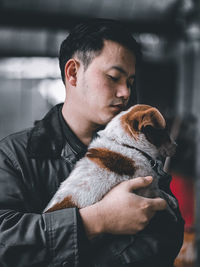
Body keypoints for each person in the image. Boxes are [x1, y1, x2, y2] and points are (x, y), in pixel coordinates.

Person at [0, 19, 184, 267]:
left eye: (129, 82)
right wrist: (97, 221)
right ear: (73, 73)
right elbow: (5, 241)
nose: (125, 93)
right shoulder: (13, 156)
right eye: (113, 77)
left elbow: (168, 236)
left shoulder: (139, 148)